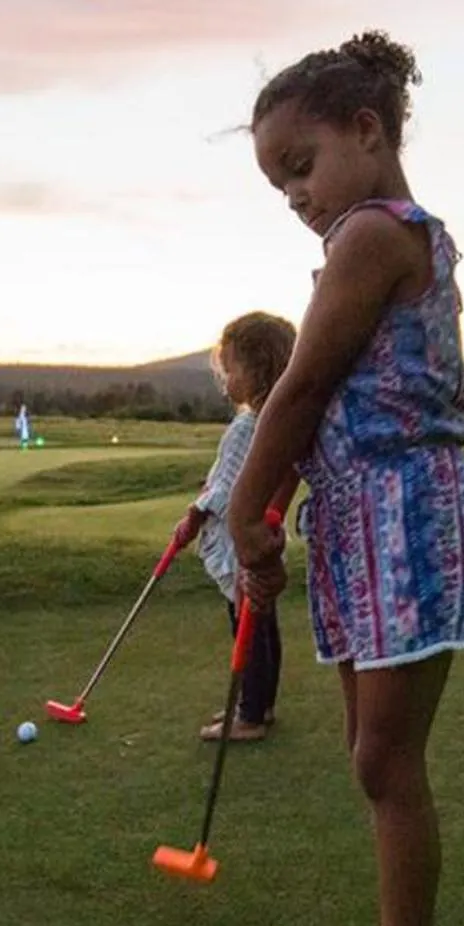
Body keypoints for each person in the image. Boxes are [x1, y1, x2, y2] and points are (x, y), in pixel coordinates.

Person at [227, 30, 464, 926]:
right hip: (357, 513)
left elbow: (296, 383)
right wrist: (282, 499)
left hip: (404, 517)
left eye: (300, 164)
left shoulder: (376, 233)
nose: (293, 192)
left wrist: (248, 502)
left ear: (367, 131)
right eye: (277, 181)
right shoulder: (360, 235)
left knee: (388, 755)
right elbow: (326, 398)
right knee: (368, 754)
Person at [172, 311, 297, 743]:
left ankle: (248, 715)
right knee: (263, 623)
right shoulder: (281, 421)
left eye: (231, 368)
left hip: (241, 539)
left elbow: (226, 489)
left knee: (246, 621)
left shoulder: (248, 426)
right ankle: (260, 703)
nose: (225, 379)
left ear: (258, 368)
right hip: (265, 534)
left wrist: (194, 515)